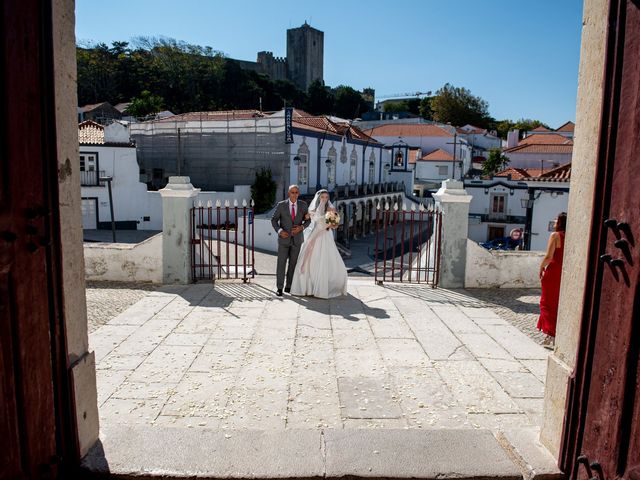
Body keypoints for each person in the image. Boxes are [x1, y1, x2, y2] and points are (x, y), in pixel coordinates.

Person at [290, 189, 348, 299]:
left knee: (325, 259)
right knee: (311, 258)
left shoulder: (331, 209)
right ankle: (309, 287)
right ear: (318, 198)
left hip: (325, 235)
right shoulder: (312, 210)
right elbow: (306, 219)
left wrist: (327, 226)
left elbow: (335, 225)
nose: (324, 199)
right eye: (322, 197)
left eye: (326, 197)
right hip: (314, 234)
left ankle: (324, 287)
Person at [271, 185, 311, 297]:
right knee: (281, 264)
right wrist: (279, 231)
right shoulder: (281, 205)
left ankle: (289, 286)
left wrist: (301, 227)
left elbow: (308, 221)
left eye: (296, 192)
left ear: (298, 193)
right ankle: (279, 287)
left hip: (297, 240)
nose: (294, 194)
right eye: (292, 192)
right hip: (283, 239)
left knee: (293, 264)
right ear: (289, 193)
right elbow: (274, 220)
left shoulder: (303, 205)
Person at [537, 212, 567, 348]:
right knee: (557, 303)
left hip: (553, 271)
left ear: (560, 222)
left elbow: (549, 256)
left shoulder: (555, 236)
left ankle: (551, 334)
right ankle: (554, 335)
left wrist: (541, 267)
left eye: (556, 220)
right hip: (564, 272)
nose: (554, 222)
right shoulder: (570, 236)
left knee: (546, 302)